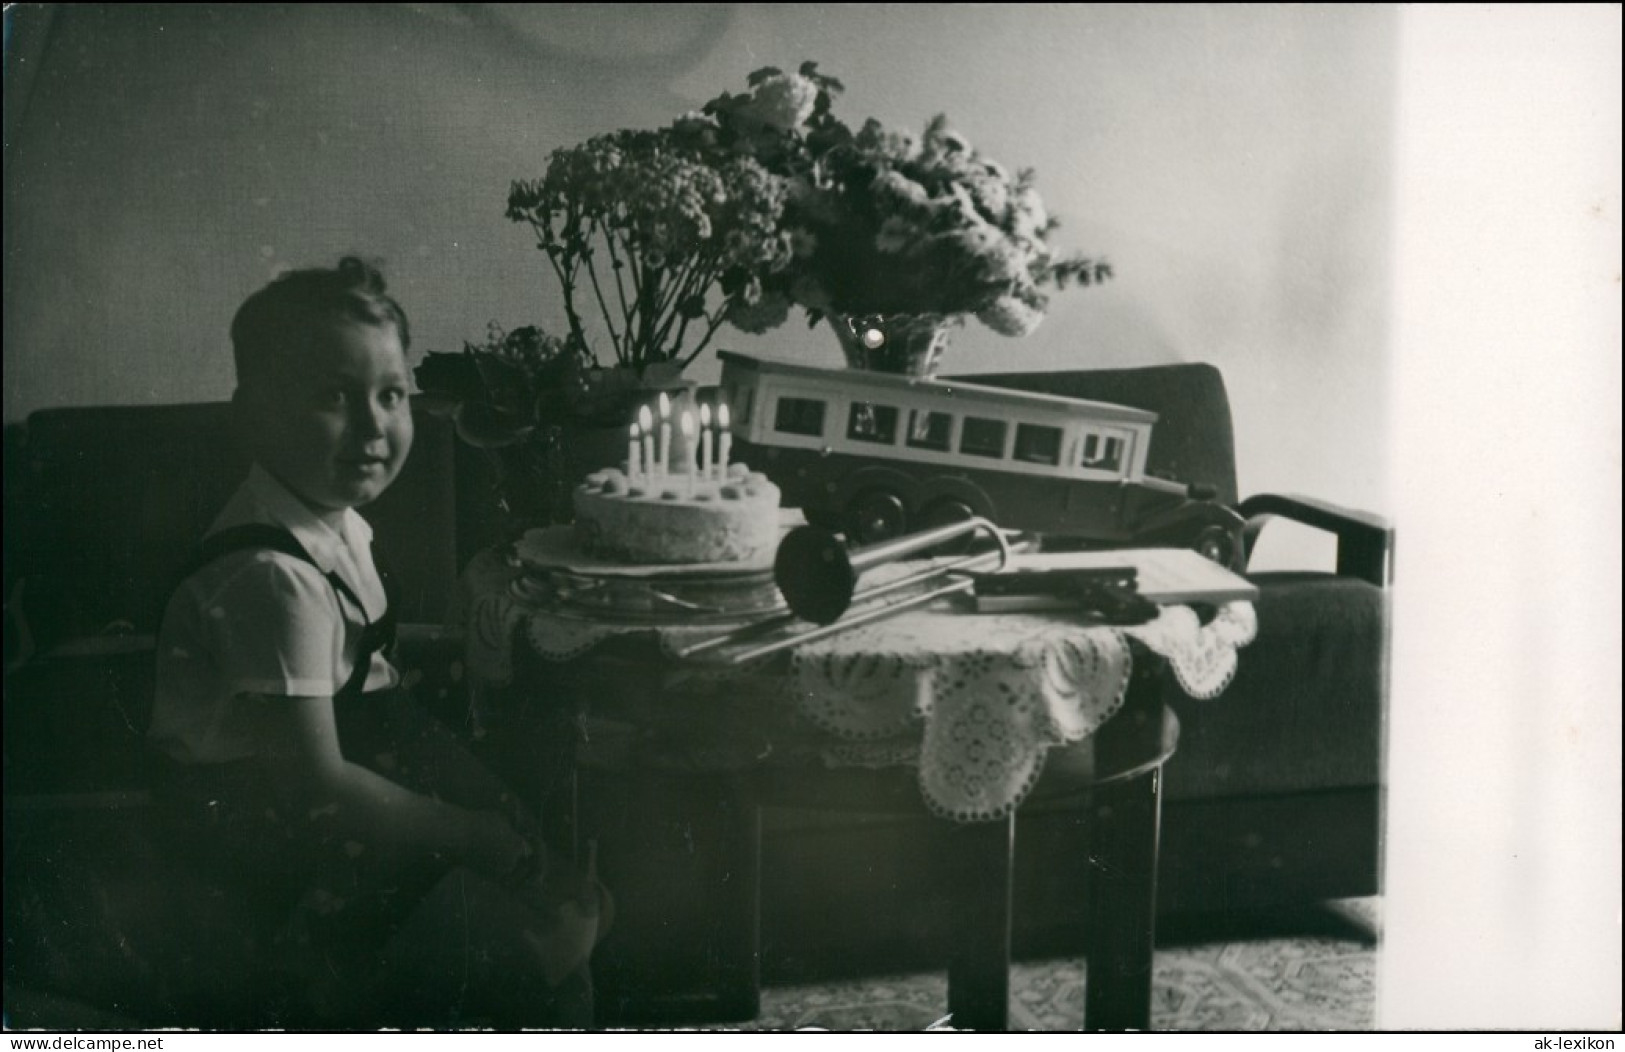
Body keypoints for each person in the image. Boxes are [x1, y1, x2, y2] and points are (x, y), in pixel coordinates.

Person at [147, 257, 602, 1029]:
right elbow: (315, 783)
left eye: (390, 396)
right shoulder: (269, 575)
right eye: (333, 396)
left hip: (339, 790)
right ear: (253, 413)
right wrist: (479, 837)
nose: (372, 427)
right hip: (269, 840)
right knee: (537, 927)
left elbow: (358, 662)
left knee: (555, 874)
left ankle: (549, 978)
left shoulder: (327, 518)